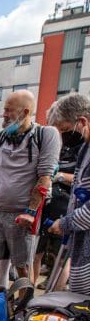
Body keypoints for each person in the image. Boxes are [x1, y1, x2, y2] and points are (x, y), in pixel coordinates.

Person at [0, 90, 61, 288]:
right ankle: (0, 311)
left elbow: (45, 177)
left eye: (8, 111)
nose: (4, 115)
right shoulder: (0, 138)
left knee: (22, 269)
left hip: (22, 215)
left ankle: (21, 313)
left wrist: (31, 212)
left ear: (25, 112)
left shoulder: (46, 135)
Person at [47, 93, 90, 295]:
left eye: (64, 130)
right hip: (81, 244)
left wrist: (64, 223)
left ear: (81, 121)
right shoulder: (84, 149)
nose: (64, 137)